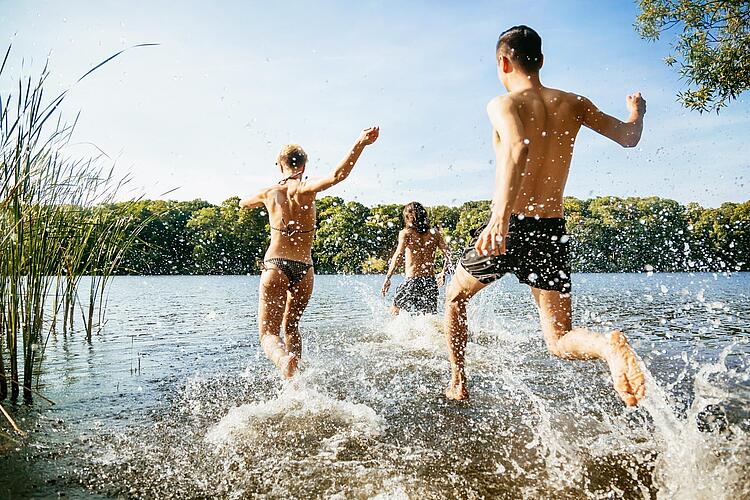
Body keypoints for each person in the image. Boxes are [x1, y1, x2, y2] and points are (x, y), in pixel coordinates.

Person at [444, 25, 647, 406]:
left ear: (503, 62)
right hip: (551, 228)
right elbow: (629, 137)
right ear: (540, 60)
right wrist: (636, 112)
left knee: (454, 297)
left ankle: (457, 380)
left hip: (509, 225)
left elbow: (518, 145)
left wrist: (499, 218)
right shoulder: (574, 103)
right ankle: (606, 347)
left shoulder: (501, 104)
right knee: (558, 339)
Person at [239, 126, 380, 378]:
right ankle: (297, 381)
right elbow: (338, 175)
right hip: (304, 269)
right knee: (291, 326)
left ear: (280, 166)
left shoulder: (269, 192)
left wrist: (253, 203)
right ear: (303, 166)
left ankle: (283, 361)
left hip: (276, 264)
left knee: (269, 333)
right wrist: (360, 142)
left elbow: (242, 203)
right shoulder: (307, 188)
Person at [381, 202, 452, 315]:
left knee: (394, 312)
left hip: (412, 281)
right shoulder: (434, 233)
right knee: (429, 317)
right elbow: (449, 254)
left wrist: (388, 277)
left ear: (408, 217)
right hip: (430, 282)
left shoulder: (405, 233)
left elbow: (398, 255)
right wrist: (443, 272)